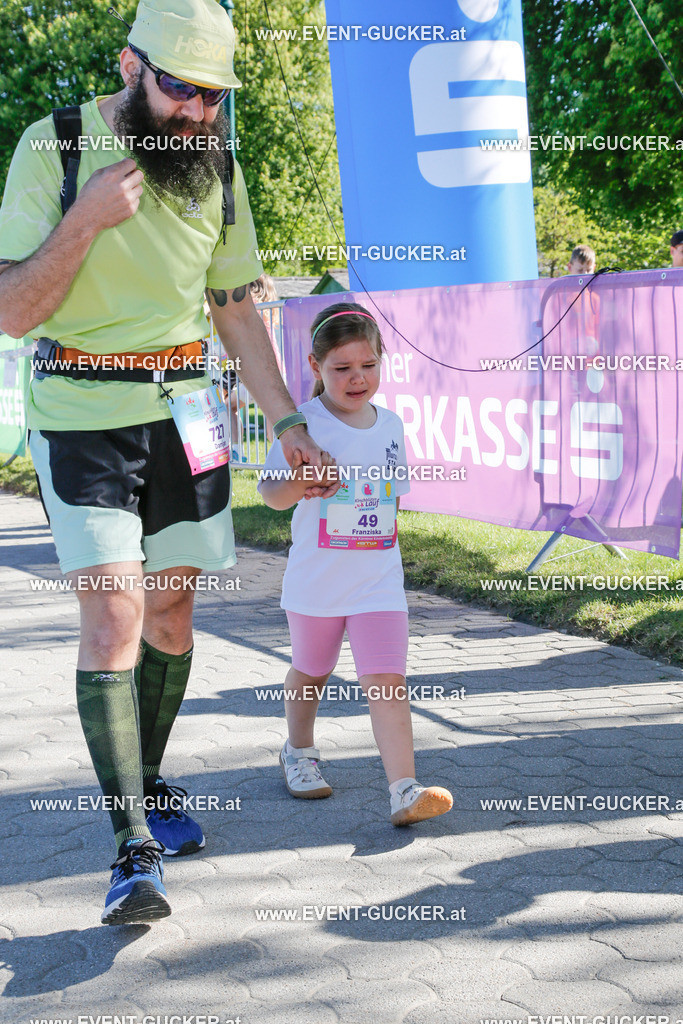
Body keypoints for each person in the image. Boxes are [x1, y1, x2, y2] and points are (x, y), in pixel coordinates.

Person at [0, 0, 335, 925]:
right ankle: (130, 849)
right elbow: (13, 309)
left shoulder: (217, 165)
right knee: (114, 614)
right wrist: (88, 220)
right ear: (130, 66)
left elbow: (232, 306)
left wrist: (289, 418)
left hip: (186, 408)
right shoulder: (53, 146)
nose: (195, 113)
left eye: (212, 98)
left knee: (175, 614)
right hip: (78, 408)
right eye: (180, 90)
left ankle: (145, 777)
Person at [258, 302, 453, 827]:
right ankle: (298, 752)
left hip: (378, 583)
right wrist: (302, 483)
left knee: (388, 678)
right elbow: (270, 495)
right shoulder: (301, 425)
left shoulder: (390, 425)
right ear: (316, 367)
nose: (357, 378)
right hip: (317, 583)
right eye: (341, 368)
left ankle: (404, 790)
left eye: (367, 365)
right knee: (312, 671)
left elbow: (392, 501)